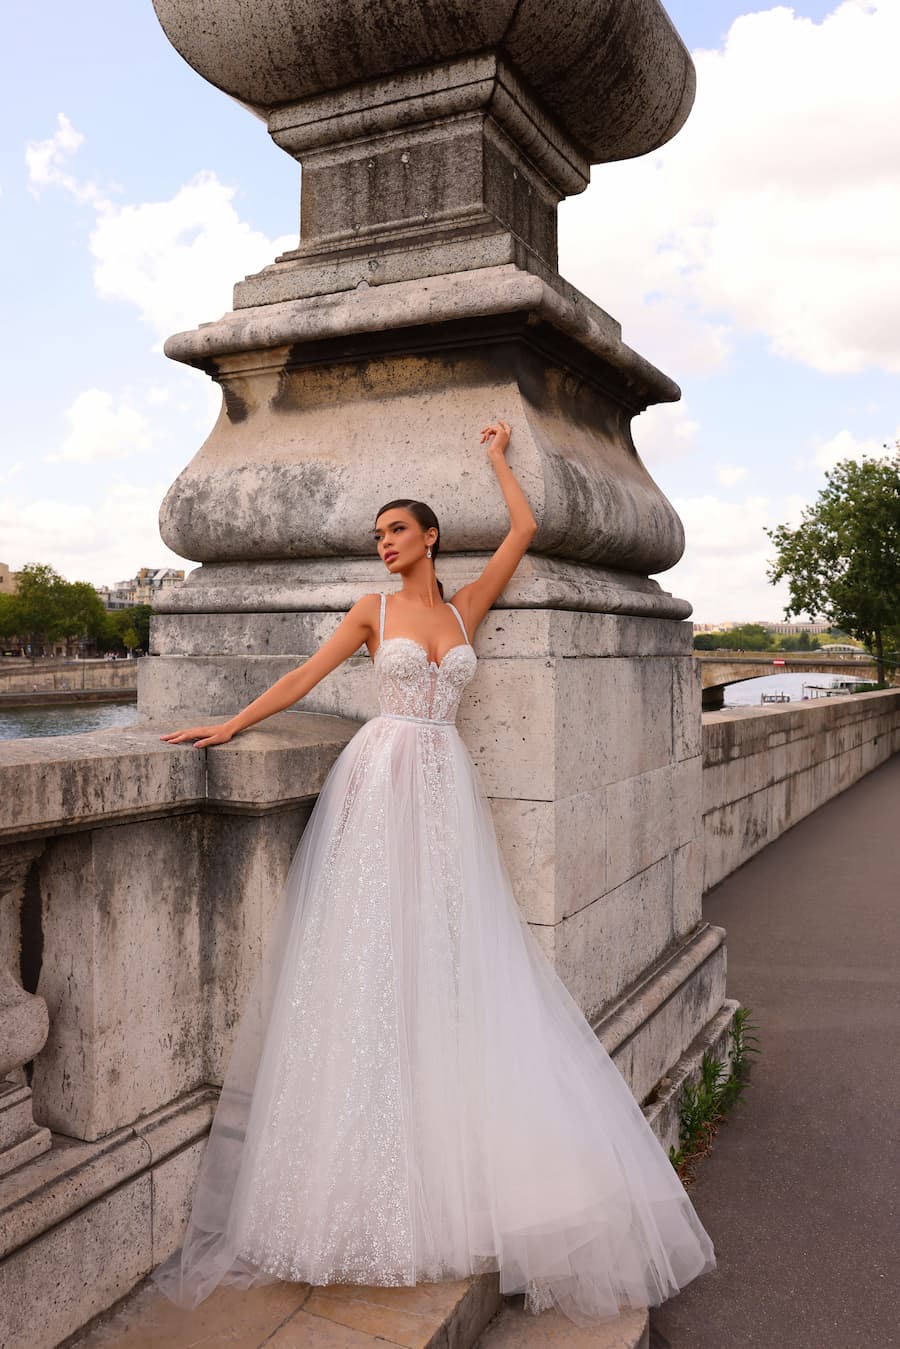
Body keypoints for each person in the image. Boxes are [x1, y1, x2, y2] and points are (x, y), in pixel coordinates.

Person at [150, 420, 716, 1326]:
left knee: (448, 960)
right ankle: (356, 1169)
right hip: (381, 778)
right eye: (378, 535)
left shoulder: (463, 611)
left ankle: (439, 1143)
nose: (384, 544)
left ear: (430, 537)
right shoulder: (371, 613)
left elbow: (525, 532)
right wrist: (228, 725)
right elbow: (304, 678)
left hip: (446, 781)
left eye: (397, 531)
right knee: (369, 954)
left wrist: (497, 462)